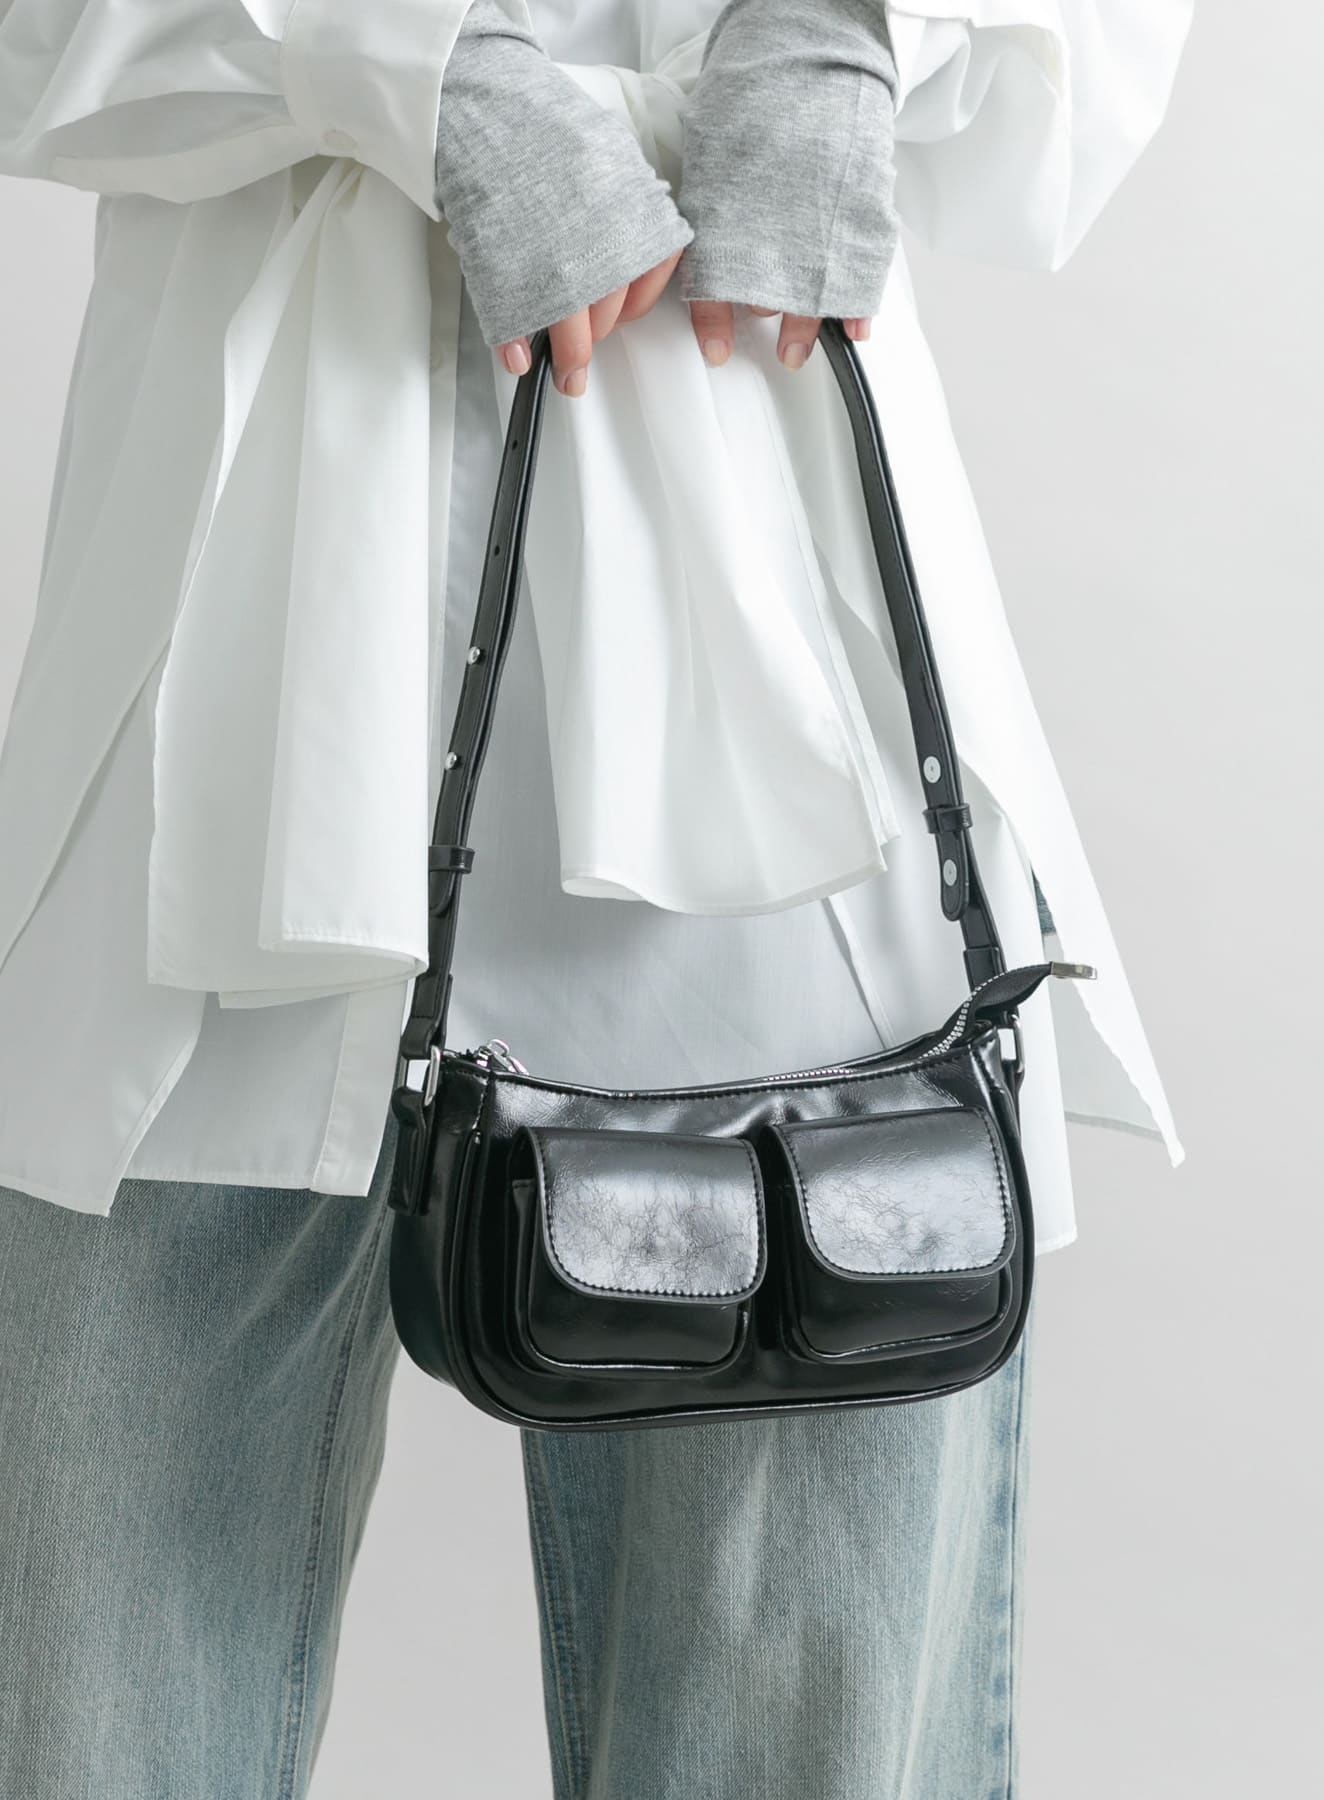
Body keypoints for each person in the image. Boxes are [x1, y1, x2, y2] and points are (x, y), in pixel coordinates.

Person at [0, 2, 1192, 1795]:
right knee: (86, 1723)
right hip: (229, 722)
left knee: (802, 1744)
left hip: (792, 761)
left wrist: (860, 27)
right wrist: (401, 60)